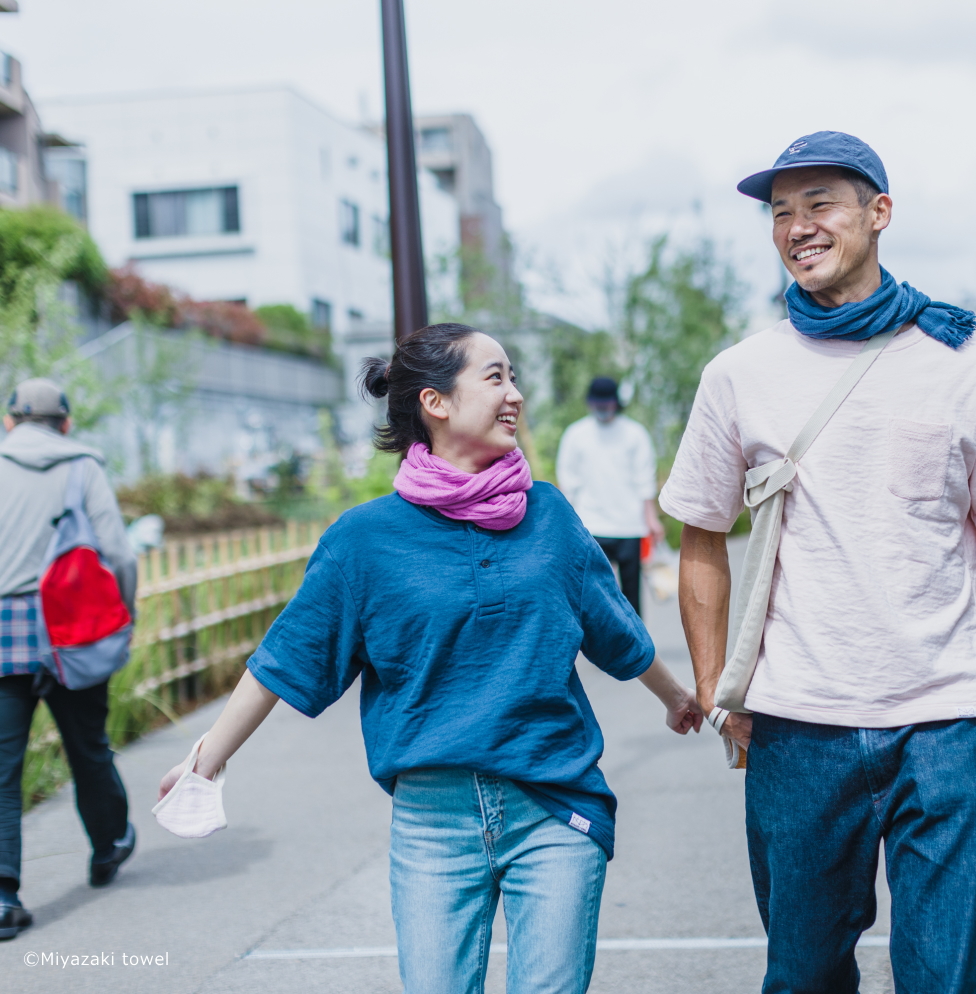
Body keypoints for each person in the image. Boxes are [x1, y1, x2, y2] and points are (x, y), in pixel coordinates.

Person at [159, 324, 702, 994]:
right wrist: (207, 759)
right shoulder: (364, 541)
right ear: (435, 402)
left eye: (513, 377)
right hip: (431, 827)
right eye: (496, 377)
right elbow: (284, 658)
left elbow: (617, 630)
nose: (517, 395)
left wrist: (677, 696)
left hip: (554, 807)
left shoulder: (548, 515)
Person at [659, 130, 976, 993]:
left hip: (942, 717)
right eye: (781, 213)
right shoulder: (741, 373)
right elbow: (700, 535)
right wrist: (713, 688)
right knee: (804, 974)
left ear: (879, 214)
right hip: (797, 722)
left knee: (952, 976)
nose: (797, 227)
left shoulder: (970, 366)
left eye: (820, 205)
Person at [0, 379, 138, 940]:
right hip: (70, 628)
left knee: (1, 770)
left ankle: (4, 895)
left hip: (3, 630)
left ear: (9, 422)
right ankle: (108, 847)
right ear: (66, 423)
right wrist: (122, 614)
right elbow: (120, 555)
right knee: (87, 747)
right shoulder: (83, 467)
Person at [556, 377, 663, 617]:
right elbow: (568, 483)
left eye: (607, 403)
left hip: (629, 526)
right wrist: (566, 525)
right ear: (590, 403)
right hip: (590, 525)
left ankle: (636, 650)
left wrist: (651, 519)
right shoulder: (576, 434)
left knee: (631, 595)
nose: (603, 409)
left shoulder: (635, 434)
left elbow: (645, 480)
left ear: (616, 403)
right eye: (598, 403)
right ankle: (602, 648)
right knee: (593, 594)